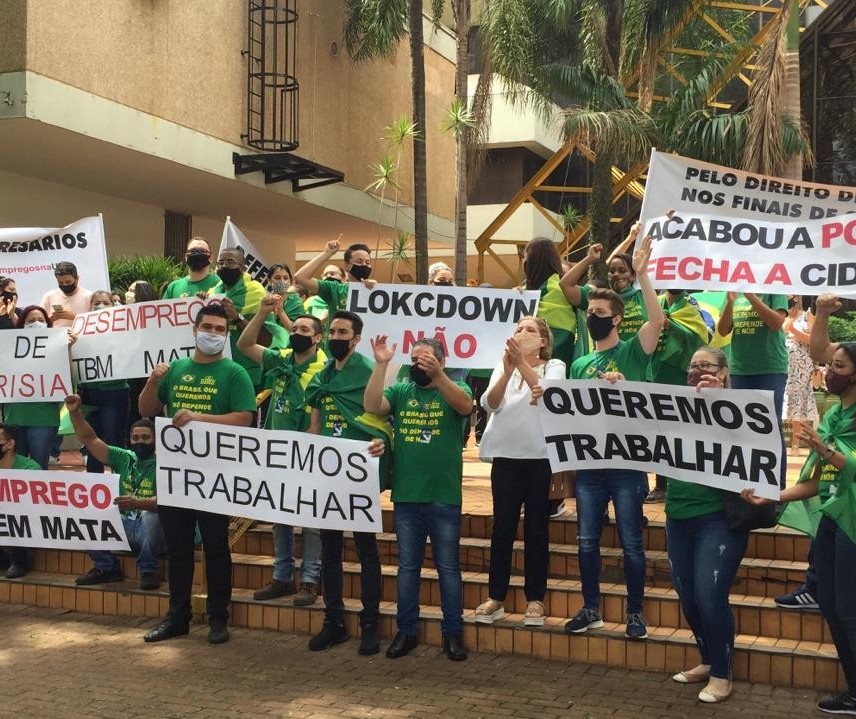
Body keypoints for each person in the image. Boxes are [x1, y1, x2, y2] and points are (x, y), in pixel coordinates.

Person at [744, 292, 856, 715]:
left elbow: (850, 467)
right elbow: (815, 482)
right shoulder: (832, 419)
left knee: (848, 610)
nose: (829, 372)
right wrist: (772, 494)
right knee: (829, 603)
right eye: (831, 366)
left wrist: (824, 449)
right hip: (831, 518)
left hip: (854, 523)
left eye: (840, 368)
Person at [138, 303, 257, 645]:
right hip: (177, 475)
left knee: (216, 547)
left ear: (227, 334)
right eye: (208, 327)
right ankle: (178, 618)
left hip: (215, 477)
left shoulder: (234, 373)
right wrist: (151, 382)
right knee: (177, 549)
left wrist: (201, 419)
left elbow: (245, 419)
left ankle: (219, 618)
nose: (213, 334)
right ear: (194, 330)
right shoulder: (175, 370)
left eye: (220, 329)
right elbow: (146, 410)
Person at [563, 235, 663, 640]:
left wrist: (643, 275)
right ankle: (591, 608)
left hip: (626, 467)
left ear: (617, 319)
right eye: (590, 310)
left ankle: (635, 614)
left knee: (631, 543)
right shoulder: (581, 362)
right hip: (590, 468)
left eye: (601, 312)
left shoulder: (634, 353)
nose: (593, 316)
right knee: (586, 541)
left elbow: (657, 321)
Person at [365, 335, 472, 661]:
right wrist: (382, 363)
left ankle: (453, 633)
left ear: (441, 361)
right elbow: (372, 406)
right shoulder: (401, 391)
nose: (418, 366)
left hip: (443, 496)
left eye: (425, 360)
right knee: (407, 567)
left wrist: (438, 375)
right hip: (407, 496)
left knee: (448, 569)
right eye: (414, 360)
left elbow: (465, 407)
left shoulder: (458, 389)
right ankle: (406, 631)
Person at [303, 310, 389, 655]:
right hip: (328, 476)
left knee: (367, 551)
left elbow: (385, 415)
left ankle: (370, 623)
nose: (336, 337)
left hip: (360, 475)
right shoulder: (321, 376)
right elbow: (315, 425)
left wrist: (382, 442)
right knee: (330, 551)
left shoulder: (368, 370)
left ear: (355, 338)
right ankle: (333, 622)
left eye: (343, 332)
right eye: (333, 331)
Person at [667, 347, 747, 704]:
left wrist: (722, 400)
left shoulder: (741, 407)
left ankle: (722, 673)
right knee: (687, 595)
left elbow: (751, 446)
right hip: (677, 514)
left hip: (718, 515)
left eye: (707, 365)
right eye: (693, 365)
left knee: (710, 596)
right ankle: (707, 659)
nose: (698, 369)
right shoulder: (674, 405)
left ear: (725, 371)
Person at [474, 317, 566, 627]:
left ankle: (535, 599)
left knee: (536, 530)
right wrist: (508, 369)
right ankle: (496, 596)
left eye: (529, 330)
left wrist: (522, 366)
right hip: (506, 457)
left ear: (543, 341)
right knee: (503, 528)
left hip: (540, 458)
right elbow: (490, 403)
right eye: (517, 329)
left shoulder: (554, 365)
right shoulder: (503, 366)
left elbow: (548, 394)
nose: (521, 333)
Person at [237, 299, 327, 606]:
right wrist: (263, 312)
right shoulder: (282, 358)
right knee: (279, 517)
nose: (298, 333)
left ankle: (311, 580)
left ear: (318, 338)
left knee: (312, 520)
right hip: (276, 454)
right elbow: (245, 343)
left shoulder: (324, 369)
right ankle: (282, 577)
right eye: (296, 328)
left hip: (309, 455)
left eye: (305, 329)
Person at [66, 397, 165, 591]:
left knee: (151, 516)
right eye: (135, 438)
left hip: (157, 533)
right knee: (86, 513)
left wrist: (139, 503)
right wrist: (74, 412)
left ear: (156, 440)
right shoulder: (123, 457)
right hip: (125, 527)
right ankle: (107, 567)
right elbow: (90, 439)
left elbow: (170, 501)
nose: (140, 442)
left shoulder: (167, 464)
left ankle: (148, 570)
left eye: (146, 438)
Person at [644, 289, 711, 503]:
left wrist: (670, 324)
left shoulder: (690, 305)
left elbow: (699, 336)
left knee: (680, 430)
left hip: (679, 375)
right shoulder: (654, 301)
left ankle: (682, 481)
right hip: (654, 372)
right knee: (657, 432)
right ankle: (661, 484)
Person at [208, 246, 287, 390]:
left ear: (243, 267)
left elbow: (266, 340)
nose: (225, 266)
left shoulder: (256, 292)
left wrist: (236, 317)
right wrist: (201, 301)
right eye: (221, 262)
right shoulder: (213, 292)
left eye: (231, 262)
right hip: (215, 373)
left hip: (247, 374)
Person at [560, 222, 645, 343]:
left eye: (622, 271)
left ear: (633, 275)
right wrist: (589, 259)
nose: (616, 274)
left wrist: (631, 238)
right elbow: (566, 285)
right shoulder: (599, 297)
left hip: (638, 359)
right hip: (604, 359)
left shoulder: (643, 296)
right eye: (612, 271)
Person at [77, 291, 130, 473]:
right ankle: (95, 484)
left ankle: (122, 483)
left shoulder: (123, 330)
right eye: (96, 303)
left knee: (114, 442)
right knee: (91, 442)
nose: (100, 306)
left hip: (114, 393)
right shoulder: (79, 331)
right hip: (89, 394)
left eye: (105, 303)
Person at [293, 238, 375, 335]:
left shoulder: (376, 292)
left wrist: (375, 289)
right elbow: (300, 277)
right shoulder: (335, 289)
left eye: (367, 262)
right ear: (347, 265)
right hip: (335, 347)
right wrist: (327, 253)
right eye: (359, 261)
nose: (364, 265)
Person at [0, 424, 41, 579]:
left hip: (22, 524)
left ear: (10, 444)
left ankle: (19, 562)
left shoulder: (30, 469)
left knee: (16, 511)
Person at [783, 295, 819, 449]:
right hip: (783, 363)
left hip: (802, 364)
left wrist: (793, 330)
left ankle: (796, 444)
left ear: (796, 297)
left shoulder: (808, 315)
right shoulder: (781, 316)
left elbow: (814, 340)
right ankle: (785, 442)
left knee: (799, 401)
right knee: (785, 399)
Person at [40, 261, 92, 328]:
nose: (64, 285)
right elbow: (40, 324)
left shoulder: (89, 296)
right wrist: (50, 320)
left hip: (81, 337)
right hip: (55, 337)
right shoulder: (49, 296)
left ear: (77, 279)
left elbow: (96, 324)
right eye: (60, 283)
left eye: (68, 282)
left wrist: (76, 317)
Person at [266, 263, 305, 335]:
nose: (282, 281)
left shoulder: (296, 301)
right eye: (277, 278)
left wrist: (280, 312)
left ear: (290, 281)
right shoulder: (265, 300)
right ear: (269, 281)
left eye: (286, 278)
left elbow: (297, 331)